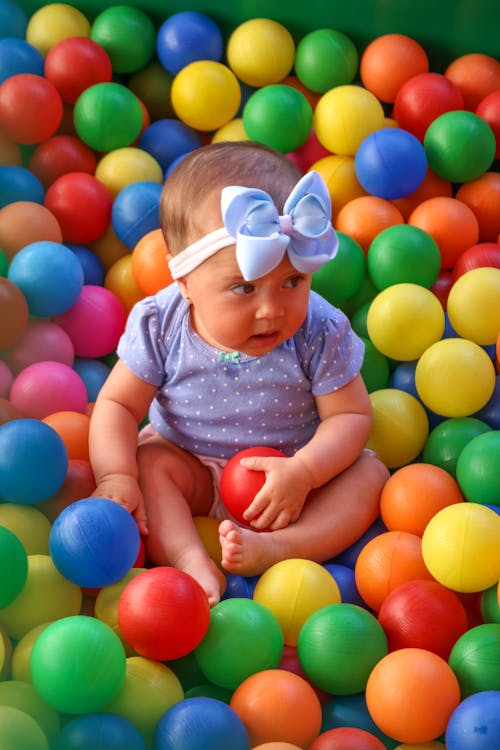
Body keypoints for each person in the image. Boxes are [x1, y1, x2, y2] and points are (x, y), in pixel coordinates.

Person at [89, 141, 389, 605]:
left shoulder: (318, 327)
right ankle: (190, 560)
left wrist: (305, 473)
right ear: (185, 284)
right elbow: (117, 406)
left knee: (368, 473)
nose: (271, 310)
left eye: (293, 282)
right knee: (148, 463)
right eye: (244, 287)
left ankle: (283, 547)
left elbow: (350, 418)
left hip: (291, 478)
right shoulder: (160, 323)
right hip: (189, 463)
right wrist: (115, 476)